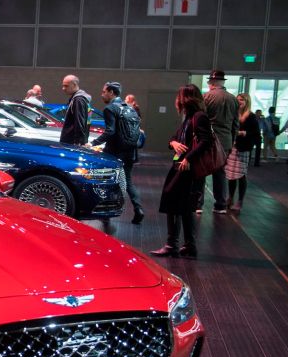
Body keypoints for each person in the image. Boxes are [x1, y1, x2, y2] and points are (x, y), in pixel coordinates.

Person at [150, 84, 212, 259]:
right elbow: (174, 138)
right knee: (183, 207)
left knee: (176, 204)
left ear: (185, 98)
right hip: (182, 166)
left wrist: (188, 158)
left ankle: (174, 245)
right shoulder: (190, 117)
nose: (177, 100)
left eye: (179, 96)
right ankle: (186, 246)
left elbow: (206, 141)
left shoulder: (199, 117)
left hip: (187, 168)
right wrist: (173, 144)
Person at [90, 81, 143, 224]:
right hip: (130, 151)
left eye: (104, 92)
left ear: (111, 93)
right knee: (128, 181)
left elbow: (110, 131)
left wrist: (93, 143)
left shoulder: (110, 108)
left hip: (115, 152)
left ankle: (107, 213)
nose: (102, 94)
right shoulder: (129, 108)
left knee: (111, 181)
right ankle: (138, 208)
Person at [199, 70, 239, 214]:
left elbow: (201, 120)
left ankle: (198, 204)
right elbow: (235, 124)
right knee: (220, 172)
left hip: (208, 140)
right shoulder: (233, 99)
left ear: (212, 83)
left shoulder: (207, 97)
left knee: (201, 170)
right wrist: (232, 140)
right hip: (226, 141)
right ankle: (220, 205)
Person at [224, 94, 261, 212]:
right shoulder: (233, 114)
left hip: (243, 148)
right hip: (232, 147)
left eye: (241, 100)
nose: (239, 102)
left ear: (247, 102)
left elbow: (256, 134)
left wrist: (245, 133)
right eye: (238, 100)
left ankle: (240, 200)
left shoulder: (251, 116)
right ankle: (230, 198)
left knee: (241, 175)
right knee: (231, 175)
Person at [60, 75, 90, 145]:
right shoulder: (82, 99)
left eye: (66, 86)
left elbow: (80, 123)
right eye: (63, 86)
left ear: (74, 85)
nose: (63, 88)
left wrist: (78, 143)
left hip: (72, 143)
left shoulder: (78, 100)